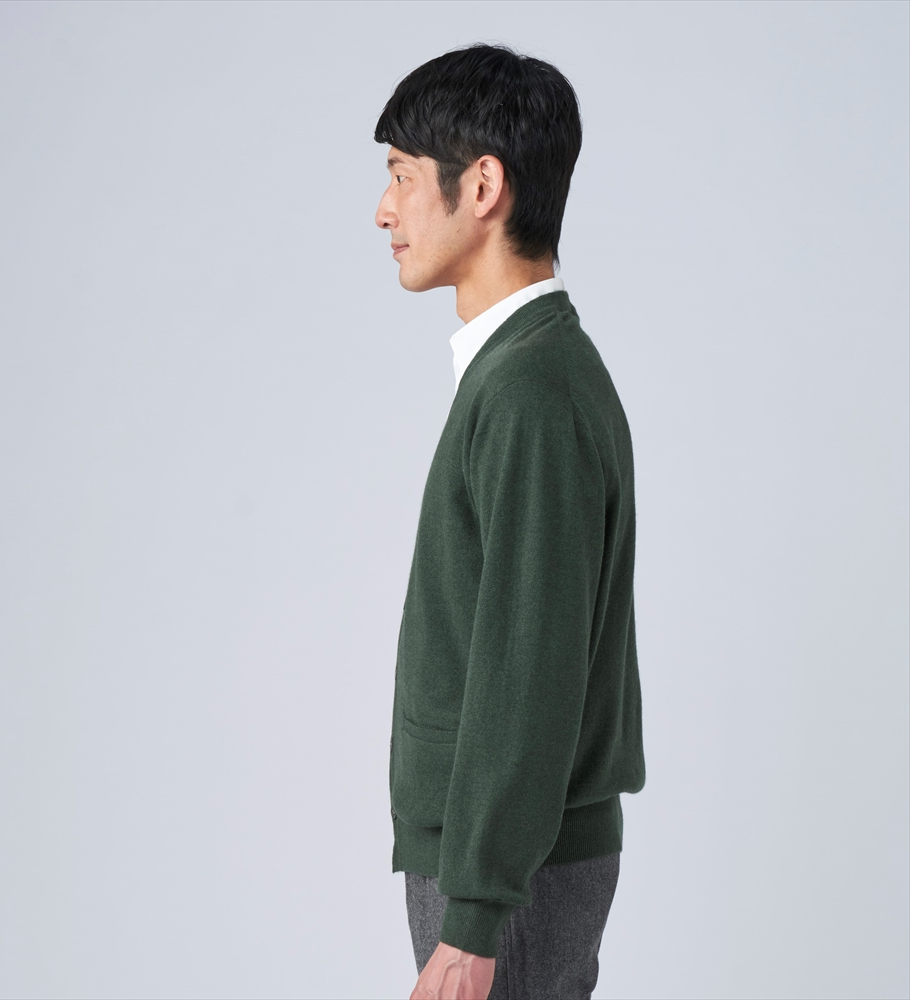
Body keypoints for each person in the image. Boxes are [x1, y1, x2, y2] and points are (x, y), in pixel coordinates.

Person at [374, 45, 646, 1000]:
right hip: (500, 858)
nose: (384, 210)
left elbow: (528, 668)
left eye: (403, 176)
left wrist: (477, 914)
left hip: (506, 871)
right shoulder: (522, 374)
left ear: (483, 186)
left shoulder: (530, 391)